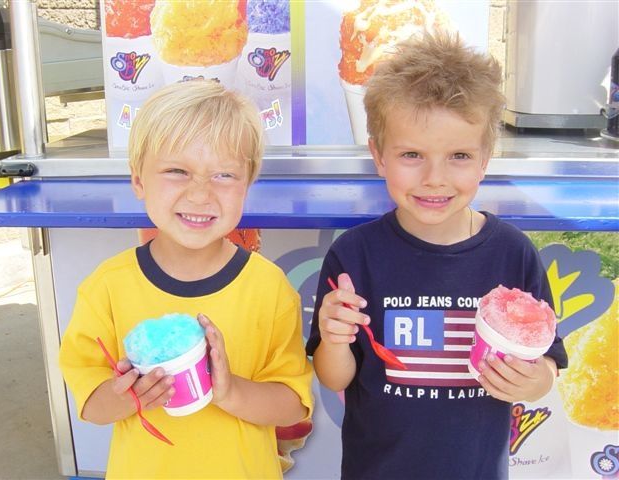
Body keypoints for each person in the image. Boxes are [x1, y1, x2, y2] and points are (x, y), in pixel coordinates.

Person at [306, 32, 567, 480]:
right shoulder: (355, 254)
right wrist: (333, 339)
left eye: (459, 156)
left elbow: (547, 364)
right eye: (411, 154)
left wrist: (535, 381)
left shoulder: (513, 253)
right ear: (379, 156)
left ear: (485, 159)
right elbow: (336, 378)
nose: (434, 178)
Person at [59, 79, 313, 479]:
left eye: (224, 175)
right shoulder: (107, 287)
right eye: (177, 171)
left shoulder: (268, 288)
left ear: (247, 185)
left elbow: (292, 406)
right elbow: (91, 406)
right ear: (139, 181)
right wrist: (130, 395)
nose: (200, 194)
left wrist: (229, 390)